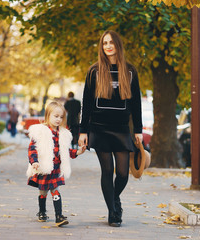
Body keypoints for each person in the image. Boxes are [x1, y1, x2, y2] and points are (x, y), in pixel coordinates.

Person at [78, 30, 143, 227]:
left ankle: (115, 199)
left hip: (122, 128)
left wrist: (138, 130)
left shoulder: (130, 71)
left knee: (122, 173)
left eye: (111, 42)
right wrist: (83, 131)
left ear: (118, 45)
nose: (107, 46)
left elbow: (136, 103)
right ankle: (113, 212)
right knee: (107, 171)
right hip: (99, 128)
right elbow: (87, 103)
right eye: (104, 43)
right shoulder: (94, 71)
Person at [26, 101, 86, 227]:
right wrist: (34, 162)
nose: (58, 119)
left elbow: (66, 151)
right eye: (56, 116)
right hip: (43, 167)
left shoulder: (63, 134)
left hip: (56, 169)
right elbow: (32, 149)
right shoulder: (40, 132)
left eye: (61, 117)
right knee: (43, 191)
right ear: (48, 115)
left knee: (55, 190)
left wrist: (78, 152)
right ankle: (42, 212)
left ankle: (59, 216)